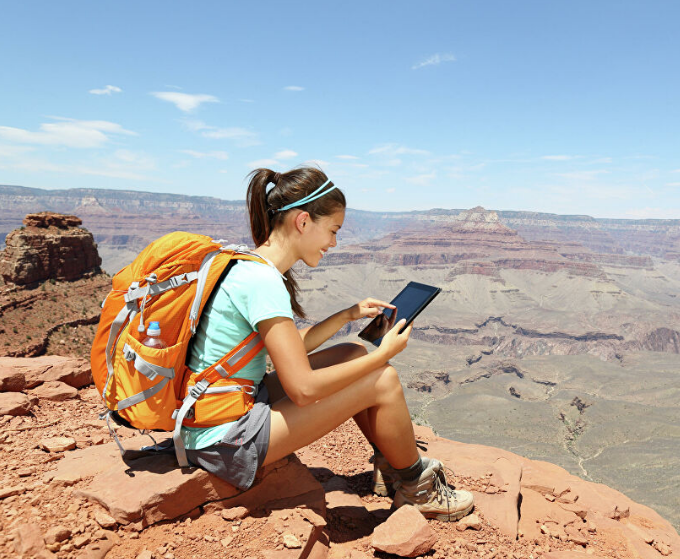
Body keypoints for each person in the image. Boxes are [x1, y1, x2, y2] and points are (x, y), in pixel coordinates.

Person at [182, 165, 474, 522]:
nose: (334, 243)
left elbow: (288, 347)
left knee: (350, 352)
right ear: (303, 221)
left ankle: (391, 464)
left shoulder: (249, 265)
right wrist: (384, 354)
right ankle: (418, 488)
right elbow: (303, 389)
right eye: (333, 230)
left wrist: (347, 315)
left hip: (224, 409)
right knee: (382, 378)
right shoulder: (263, 283)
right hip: (226, 439)